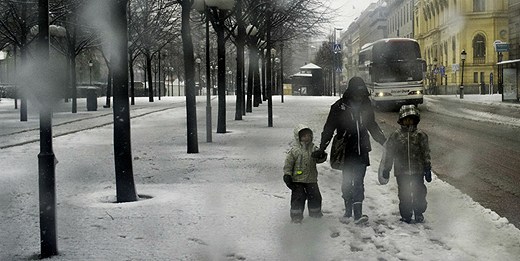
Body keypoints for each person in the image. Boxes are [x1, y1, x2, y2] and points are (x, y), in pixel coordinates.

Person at [312, 77, 386, 224]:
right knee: (347, 181)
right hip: (345, 151)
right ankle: (348, 208)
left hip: (362, 149)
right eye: (357, 94)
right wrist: (322, 147)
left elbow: (372, 125)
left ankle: (358, 213)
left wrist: (384, 142)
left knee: (358, 182)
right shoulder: (338, 107)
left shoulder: (366, 106)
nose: (359, 98)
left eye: (361, 95)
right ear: (350, 93)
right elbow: (329, 128)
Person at [379, 104, 432, 223]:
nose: (408, 122)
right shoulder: (396, 136)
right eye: (406, 119)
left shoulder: (420, 136)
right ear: (401, 120)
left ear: (415, 120)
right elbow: (390, 153)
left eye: (411, 119)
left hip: (417, 171)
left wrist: (427, 167)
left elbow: (425, 152)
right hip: (401, 171)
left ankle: (419, 212)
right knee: (404, 194)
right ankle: (406, 214)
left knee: (419, 192)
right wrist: (387, 168)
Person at [283, 124, 327, 223]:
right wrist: (287, 174)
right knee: (298, 198)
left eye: (308, 136)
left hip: (311, 180)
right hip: (297, 180)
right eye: (303, 136)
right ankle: (296, 216)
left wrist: (321, 155)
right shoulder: (294, 151)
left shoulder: (313, 148)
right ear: (298, 137)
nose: (306, 138)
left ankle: (315, 214)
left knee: (315, 197)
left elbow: (319, 160)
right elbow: (288, 164)